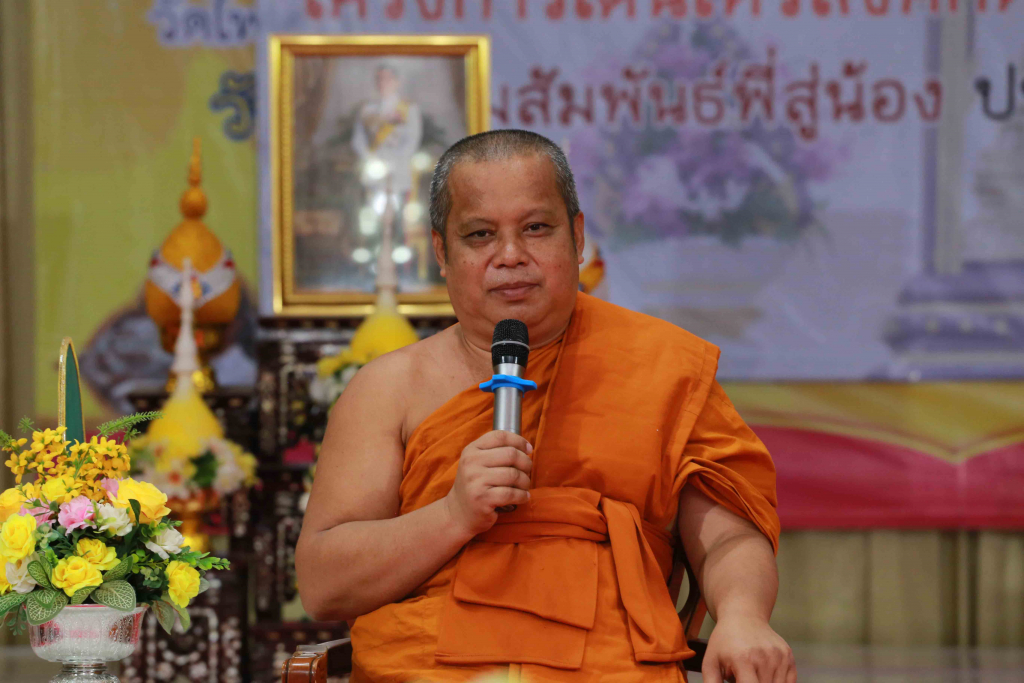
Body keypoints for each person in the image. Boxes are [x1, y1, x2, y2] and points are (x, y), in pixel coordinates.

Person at [297, 130, 793, 683]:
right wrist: (452, 516)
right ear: (441, 252)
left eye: (536, 228)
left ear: (577, 237)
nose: (511, 257)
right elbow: (324, 585)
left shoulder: (663, 366)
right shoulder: (388, 389)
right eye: (480, 235)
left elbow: (727, 536)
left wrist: (744, 617)